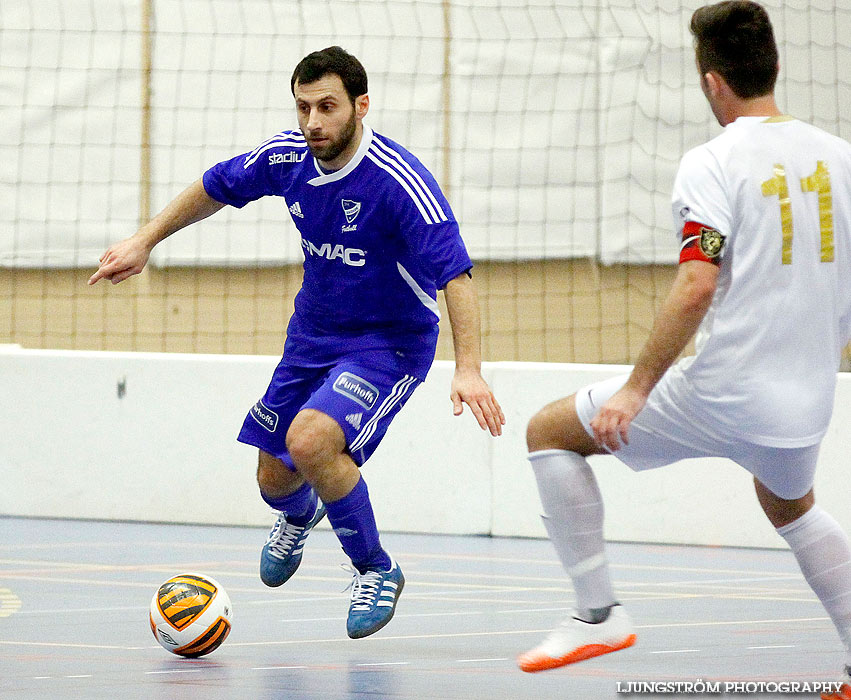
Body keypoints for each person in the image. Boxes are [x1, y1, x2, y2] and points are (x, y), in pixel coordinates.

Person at [88, 46, 504, 640]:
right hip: (310, 338)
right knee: (273, 480)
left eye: (327, 107)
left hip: (387, 346)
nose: (313, 122)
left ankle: (376, 569)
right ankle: (299, 514)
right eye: (304, 107)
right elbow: (214, 185)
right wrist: (144, 239)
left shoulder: (399, 183)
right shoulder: (289, 158)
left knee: (310, 442)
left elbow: (455, 275)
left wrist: (468, 368)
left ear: (361, 106)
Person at [516, 2, 851, 695]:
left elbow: (696, 284)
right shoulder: (840, 157)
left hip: (726, 390)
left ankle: (596, 613)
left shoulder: (712, 161)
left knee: (549, 432)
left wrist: (637, 390)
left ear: (710, 82)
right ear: (774, 67)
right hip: (807, 400)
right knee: (791, 508)